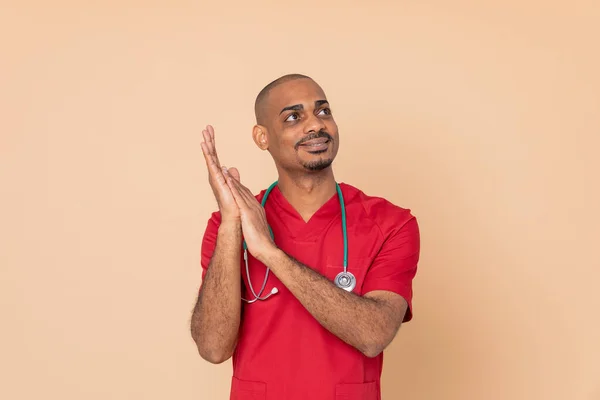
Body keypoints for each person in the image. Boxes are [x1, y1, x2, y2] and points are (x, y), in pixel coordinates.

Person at [190, 74, 420, 400]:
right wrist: (232, 226)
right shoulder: (225, 226)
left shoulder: (391, 223)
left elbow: (373, 334)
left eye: (323, 112)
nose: (315, 125)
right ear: (262, 137)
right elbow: (213, 348)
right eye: (294, 117)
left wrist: (270, 253)